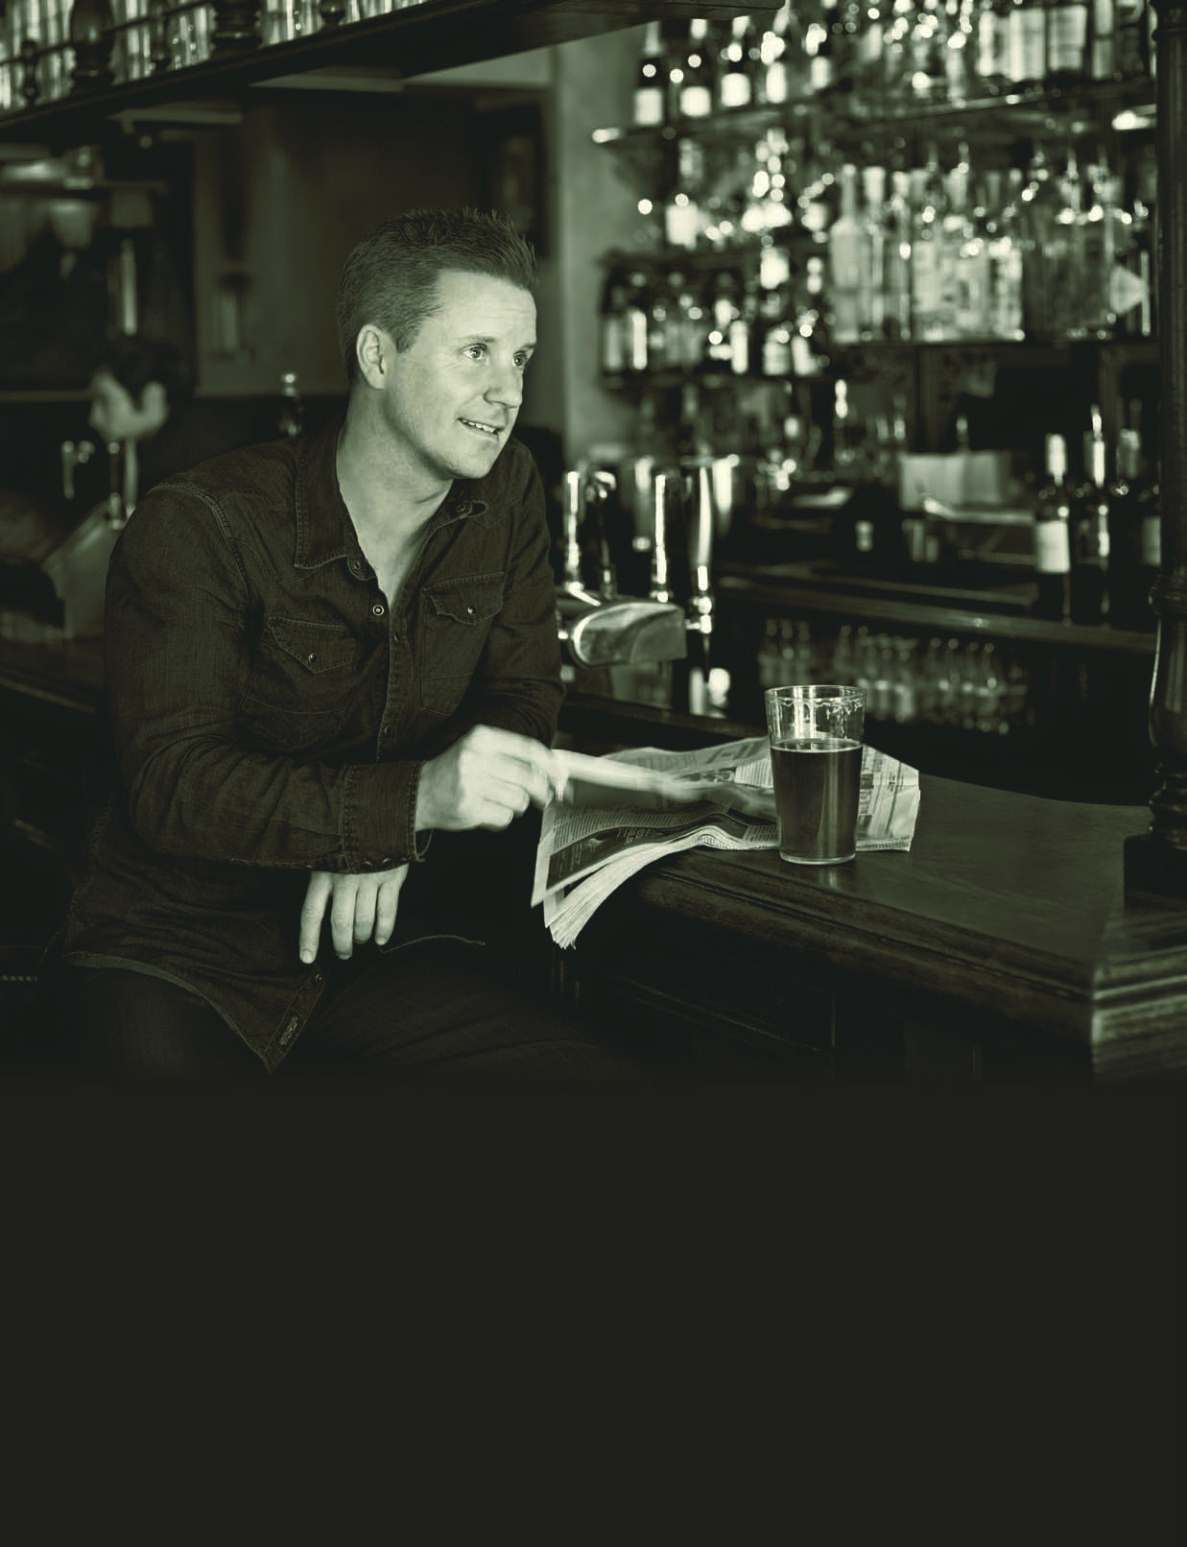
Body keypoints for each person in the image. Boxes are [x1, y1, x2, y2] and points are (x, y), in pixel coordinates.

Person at [54, 208, 627, 1079]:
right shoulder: (202, 522)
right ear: (377, 356)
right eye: (475, 352)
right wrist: (403, 807)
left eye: (519, 358)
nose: (508, 391)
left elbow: (523, 692)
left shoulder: (507, 490)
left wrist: (390, 836)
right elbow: (173, 783)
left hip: (374, 946)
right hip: (180, 947)